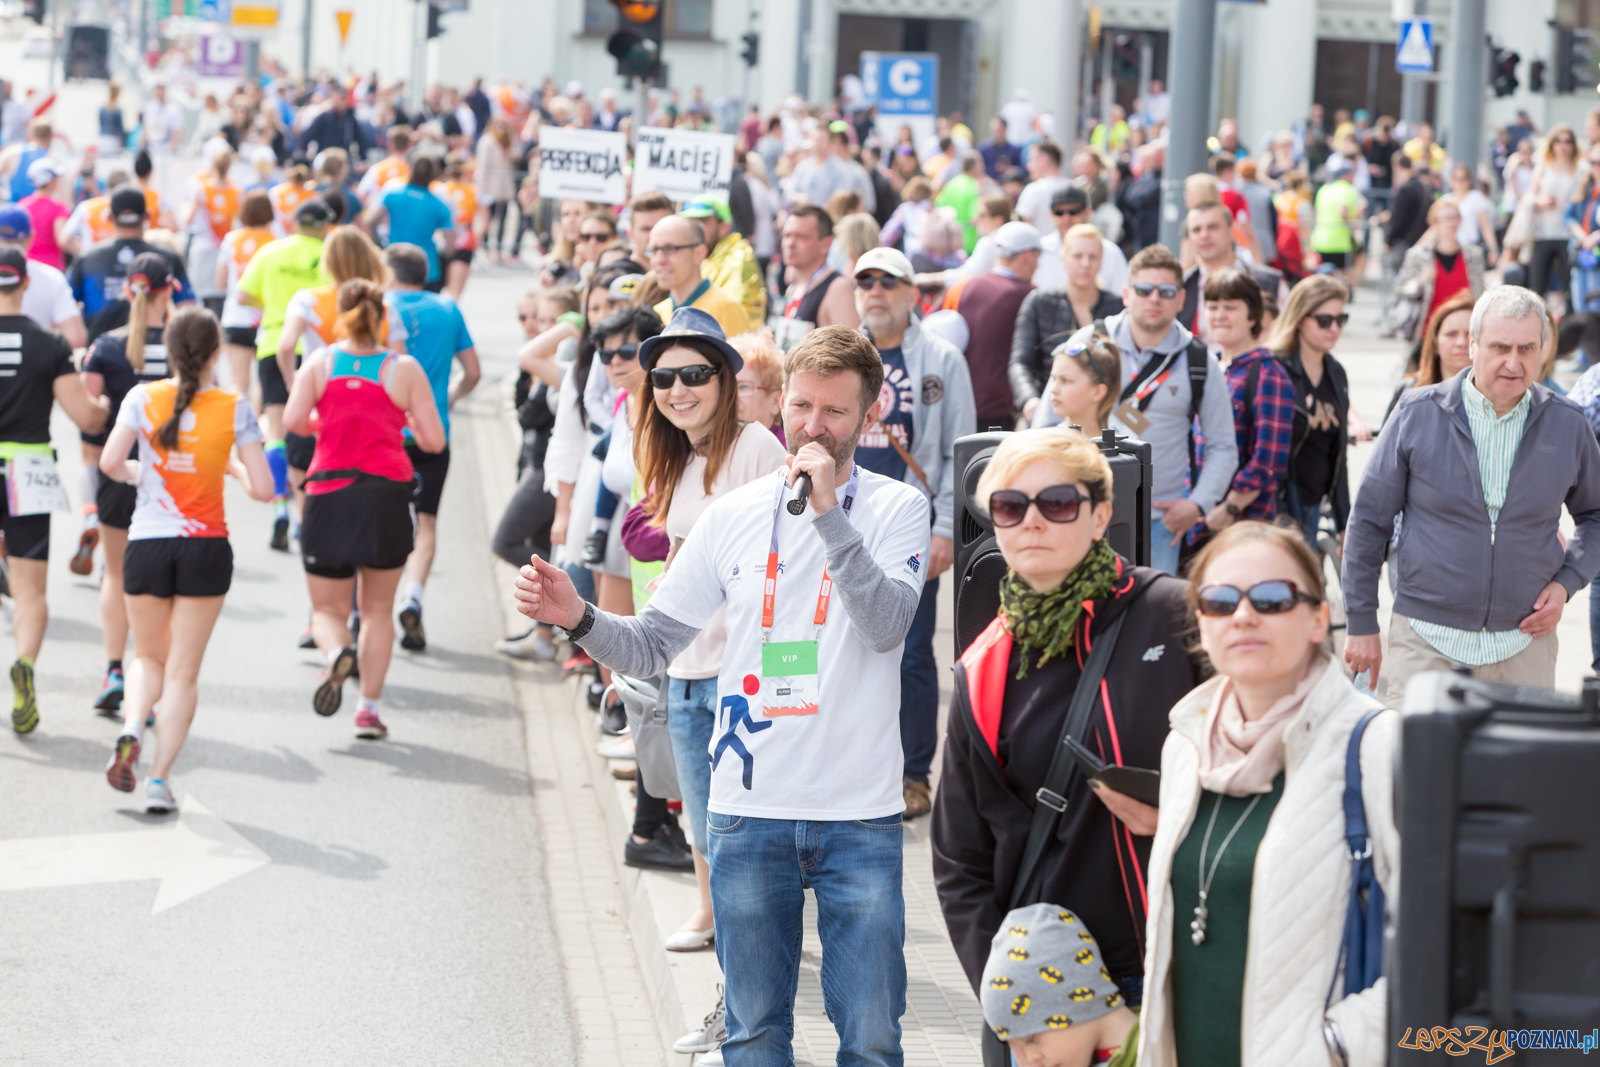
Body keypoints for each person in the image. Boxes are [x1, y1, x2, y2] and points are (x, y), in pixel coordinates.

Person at [513, 325, 931, 1067]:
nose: (813, 426)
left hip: (857, 815)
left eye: (834, 412)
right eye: (801, 407)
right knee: (753, 1033)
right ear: (780, 410)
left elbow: (886, 625)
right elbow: (650, 645)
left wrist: (832, 514)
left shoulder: (896, 508)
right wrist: (575, 616)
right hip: (749, 811)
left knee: (871, 1038)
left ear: (866, 419)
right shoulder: (733, 516)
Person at [931, 427, 1203, 1017]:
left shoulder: (1176, 616)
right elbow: (959, 863)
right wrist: (1012, 997)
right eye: (1009, 506)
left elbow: (1263, 764)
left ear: (1101, 515)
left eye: (1057, 504)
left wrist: (1183, 817)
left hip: (1176, 970)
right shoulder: (983, 667)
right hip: (1048, 992)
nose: (1032, 522)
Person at [1135, 521, 1395, 1067]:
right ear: (1201, 624)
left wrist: (1339, 1046)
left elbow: (1446, 941)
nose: (1244, 616)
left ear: (1319, 618)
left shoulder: (1376, 744)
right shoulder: (1185, 745)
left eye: (1273, 599)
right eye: (1220, 601)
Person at [1345, 286, 1600, 704]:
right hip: (1425, 642)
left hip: (1524, 646)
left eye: (1526, 348)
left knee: (1517, 771)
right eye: (1500, 347)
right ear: (1473, 344)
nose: (1513, 363)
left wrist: (1568, 582)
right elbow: (1369, 521)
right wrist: (1361, 621)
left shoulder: (1568, 424)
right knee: (1419, 769)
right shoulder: (1417, 412)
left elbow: (1595, 514)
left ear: (1543, 349)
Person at [630, 305, 788, 959]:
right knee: (699, 809)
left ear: (725, 378)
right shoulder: (677, 457)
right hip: (686, 661)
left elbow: (792, 555)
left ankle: (755, 946)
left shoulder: (757, 447)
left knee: (746, 819)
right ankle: (711, 911)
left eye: (694, 373)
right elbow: (671, 556)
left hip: (743, 667)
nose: (677, 390)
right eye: (664, 380)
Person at [100, 306, 273, 810]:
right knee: (182, 673)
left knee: (147, 657)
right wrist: (236, 472)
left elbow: (112, 463)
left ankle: (133, 724)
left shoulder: (141, 397)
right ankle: (157, 781)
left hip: (148, 544)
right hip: (206, 548)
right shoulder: (234, 405)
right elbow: (265, 489)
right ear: (216, 354)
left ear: (170, 352)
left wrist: (142, 475)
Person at [284, 279, 445, 735]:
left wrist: (328, 421)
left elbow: (294, 421)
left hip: (328, 492)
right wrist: (399, 422)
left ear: (341, 314)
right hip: (386, 495)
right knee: (377, 609)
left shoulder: (321, 361)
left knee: (327, 611)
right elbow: (434, 441)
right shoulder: (403, 368)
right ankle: (368, 709)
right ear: (380, 319)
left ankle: (337, 654)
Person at [851, 246, 975, 819]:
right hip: (842, 520)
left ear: (911, 294)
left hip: (911, 523)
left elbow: (959, 452)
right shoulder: (840, 353)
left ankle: (912, 775)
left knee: (913, 654)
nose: (875, 290)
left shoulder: (942, 359)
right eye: (865, 281)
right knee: (839, 647)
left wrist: (947, 526)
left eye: (888, 281)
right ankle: (849, 765)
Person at [0, 249, 109, 733]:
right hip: (27, 467)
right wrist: (105, 406)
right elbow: (85, 417)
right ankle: (24, 662)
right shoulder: (49, 343)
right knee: (29, 591)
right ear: (25, 284)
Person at [82, 253, 194, 715]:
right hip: (175, 478)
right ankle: (147, 680)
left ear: (130, 290)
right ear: (169, 291)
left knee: (116, 574)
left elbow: (90, 414)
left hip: (118, 471)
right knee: (161, 586)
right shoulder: (184, 347)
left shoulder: (105, 347)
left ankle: (114, 669)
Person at [1104, 244, 1238, 576]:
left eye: (1166, 292)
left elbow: (1223, 445)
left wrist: (1198, 504)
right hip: (1085, 511)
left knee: (1150, 622)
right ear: (1126, 294)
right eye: (1144, 289)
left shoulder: (1198, 360)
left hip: (1161, 524)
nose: (1154, 299)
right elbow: (1048, 425)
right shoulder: (1091, 345)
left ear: (1180, 299)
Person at [382, 243, 480, 651]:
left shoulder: (378, 306)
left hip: (387, 433)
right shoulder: (447, 308)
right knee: (426, 524)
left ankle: (368, 612)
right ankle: (413, 597)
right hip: (433, 431)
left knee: (383, 524)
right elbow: (473, 371)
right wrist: (449, 398)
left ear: (389, 272)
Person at [238, 197, 334, 551]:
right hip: (319, 348)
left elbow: (242, 294)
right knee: (317, 425)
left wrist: (274, 302)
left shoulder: (271, 252)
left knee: (275, 428)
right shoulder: (330, 255)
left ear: (294, 223)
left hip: (275, 340)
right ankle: (308, 512)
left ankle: (280, 505)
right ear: (325, 226)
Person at [980, 905, 1140, 1067]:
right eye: (1012, 1045)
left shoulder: (1157, 1052)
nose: (1029, 1059)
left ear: (1078, 999)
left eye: (1031, 1038)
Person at [1199, 270, 1295, 531]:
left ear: (1252, 315)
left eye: (1230, 307)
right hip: (1195, 517)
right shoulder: (1205, 365)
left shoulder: (1268, 373)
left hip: (1240, 522)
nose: (1219, 315)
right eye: (1213, 306)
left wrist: (1229, 508)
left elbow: (1268, 459)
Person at [1268, 275, 1354, 546]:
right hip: (1278, 503)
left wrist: (1344, 520)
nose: (1334, 329)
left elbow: (1338, 454)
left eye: (1341, 320)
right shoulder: (1275, 367)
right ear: (1300, 318)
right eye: (1324, 320)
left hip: (1314, 502)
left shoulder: (1336, 372)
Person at [1012, 222, 1123, 423]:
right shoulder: (1039, 302)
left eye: (1093, 257)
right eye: (1078, 256)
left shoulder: (1117, 308)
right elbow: (1020, 362)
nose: (1085, 263)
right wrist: (1029, 400)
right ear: (1063, 259)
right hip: (1050, 409)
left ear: (1101, 262)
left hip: (1103, 416)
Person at [945, 221, 1041, 433]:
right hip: (997, 410)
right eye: (1037, 257)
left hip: (954, 403)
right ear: (1027, 256)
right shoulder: (1029, 295)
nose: (1038, 265)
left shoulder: (964, 285)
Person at [69, 187, 194, 343]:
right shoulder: (167, 258)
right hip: (156, 355)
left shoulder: (87, 259)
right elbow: (187, 313)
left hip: (99, 357)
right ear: (147, 216)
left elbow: (65, 306)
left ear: (109, 217)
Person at [1176, 201, 1287, 345]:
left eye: (1213, 227)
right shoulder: (1181, 287)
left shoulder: (1270, 283)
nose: (1204, 235)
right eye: (1196, 230)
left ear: (1231, 231)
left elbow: (1287, 338)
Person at [1393, 197, 1486, 351]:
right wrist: (1420, 282)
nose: (1452, 222)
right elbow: (1400, 288)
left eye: (1455, 218)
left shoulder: (1473, 256)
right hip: (1427, 334)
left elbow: (1480, 293)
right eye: (1447, 218)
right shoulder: (1418, 256)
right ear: (1435, 223)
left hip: (1464, 337)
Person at [215, 191, 276, 400]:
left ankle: (236, 429)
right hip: (267, 319)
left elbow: (220, 282)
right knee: (263, 384)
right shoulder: (276, 241)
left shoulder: (232, 239)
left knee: (239, 383)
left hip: (236, 318)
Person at [648, 215, 751, 339]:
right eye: (654, 250)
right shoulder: (657, 312)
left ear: (698, 254)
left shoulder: (726, 307)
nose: (659, 260)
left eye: (670, 249)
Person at [365, 155, 454, 291]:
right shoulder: (440, 205)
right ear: (434, 174)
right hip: (426, 268)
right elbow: (450, 246)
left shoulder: (392, 193)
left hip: (393, 263)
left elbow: (370, 220)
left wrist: (376, 244)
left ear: (409, 169)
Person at [0, 205, 85, 347]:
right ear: (30, 238)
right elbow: (76, 338)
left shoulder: (51, 277)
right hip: (37, 363)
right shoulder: (51, 277)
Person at [775, 206, 858, 347]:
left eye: (800, 236)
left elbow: (855, 356)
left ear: (826, 244)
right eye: (786, 235)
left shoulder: (837, 288)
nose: (790, 243)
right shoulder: (794, 287)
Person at [1385, 291, 1475, 422]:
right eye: (1451, 334)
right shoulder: (1409, 392)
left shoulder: (1497, 397)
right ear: (1435, 342)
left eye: (1469, 335)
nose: (1461, 342)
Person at [681, 197, 766, 326]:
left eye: (702, 222)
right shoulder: (703, 256)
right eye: (691, 223)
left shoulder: (738, 259)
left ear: (723, 227)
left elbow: (735, 321)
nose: (694, 230)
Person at [1031, 185, 1129, 295]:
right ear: (1051, 214)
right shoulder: (1038, 250)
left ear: (1088, 213)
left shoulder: (1110, 252)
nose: (1066, 217)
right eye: (1059, 212)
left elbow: (1121, 296)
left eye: (1074, 211)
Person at [1527, 125, 1579, 302]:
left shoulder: (1581, 170)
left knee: (1569, 286)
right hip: (1544, 232)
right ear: (1552, 144)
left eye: (1567, 141)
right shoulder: (1543, 169)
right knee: (1537, 287)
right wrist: (1539, 201)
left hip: (1569, 233)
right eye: (1558, 141)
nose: (1563, 145)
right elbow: (1529, 198)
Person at [1039, 329, 1122, 436]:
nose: (1054, 389)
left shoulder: (1120, 449)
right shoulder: (1045, 442)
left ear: (1098, 392)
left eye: (1066, 380)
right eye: (1054, 379)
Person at [1309, 155, 1364, 288]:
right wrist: (1352, 225)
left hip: (1320, 240)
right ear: (1346, 175)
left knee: (1322, 277)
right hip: (1339, 242)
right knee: (1350, 269)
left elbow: (1315, 212)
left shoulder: (1323, 189)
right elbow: (1343, 211)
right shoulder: (1347, 189)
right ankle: (1350, 288)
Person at [430, 154, 478, 299]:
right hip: (463, 239)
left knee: (434, 293)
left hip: (440, 239)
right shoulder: (473, 189)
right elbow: (486, 221)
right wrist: (477, 235)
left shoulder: (437, 188)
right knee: (454, 295)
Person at [19, 158, 71, 271]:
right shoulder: (59, 207)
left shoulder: (22, 205)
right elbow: (62, 240)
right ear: (50, 182)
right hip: (53, 268)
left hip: (27, 266)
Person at [1016, 141, 1072, 235]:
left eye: (1031, 160)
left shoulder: (1033, 190)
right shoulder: (1075, 188)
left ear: (1044, 160)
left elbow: (1021, 228)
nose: (1028, 166)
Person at [1449, 163, 1499, 268]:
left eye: (1463, 178)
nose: (1459, 182)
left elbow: (1485, 226)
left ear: (1469, 180)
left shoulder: (1476, 197)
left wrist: (1493, 249)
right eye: (1456, 178)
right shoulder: (1445, 200)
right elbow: (1435, 228)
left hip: (1469, 247)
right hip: (1449, 249)